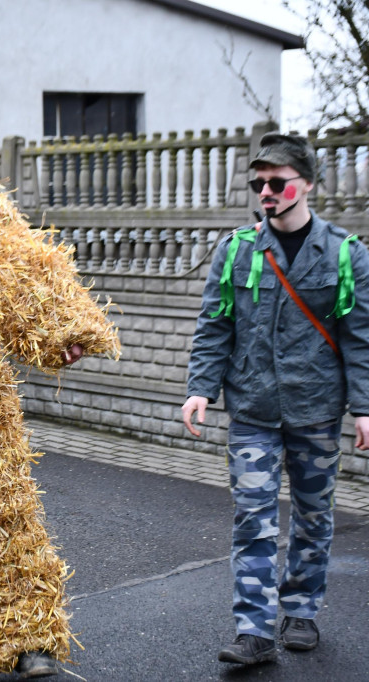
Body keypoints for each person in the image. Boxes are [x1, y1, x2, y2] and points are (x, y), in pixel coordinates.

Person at [182, 132, 369, 667]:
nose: (266, 192)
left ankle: (302, 611)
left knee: (314, 515)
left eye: (278, 182)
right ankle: (254, 630)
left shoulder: (346, 254)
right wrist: (200, 388)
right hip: (253, 408)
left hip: (317, 407)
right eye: (258, 183)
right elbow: (215, 326)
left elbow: (360, 338)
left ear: (306, 184)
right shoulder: (237, 249)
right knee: (253, 518)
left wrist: (364, 407)